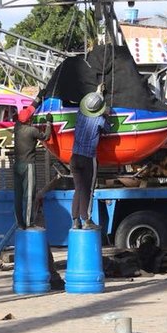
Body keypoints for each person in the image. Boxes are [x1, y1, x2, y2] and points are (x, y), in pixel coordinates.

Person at [70, 92, 110, 230]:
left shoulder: (80, 115)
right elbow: (108, 130)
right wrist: (106, 115)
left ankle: (75, 221)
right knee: (88, 190)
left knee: (78, 188)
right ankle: (87, 220)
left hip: (74, 157)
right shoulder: (100, 120)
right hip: (88, 158)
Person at [12, 104, 49, 228]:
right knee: (29, 195)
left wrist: (36, 101)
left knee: (18, 195)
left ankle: (19, 222)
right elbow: (46, 137)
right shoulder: (32, 131)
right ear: (29, 120)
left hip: (17, 165)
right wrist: (48, 123)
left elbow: (25, 115)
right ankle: (29, 223)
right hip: (28, 165)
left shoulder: (17, 128)